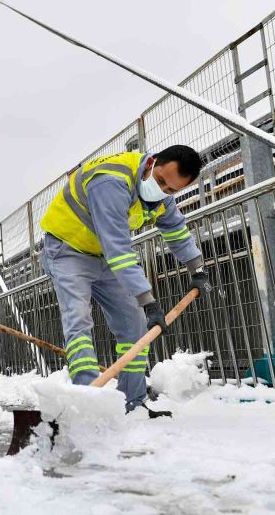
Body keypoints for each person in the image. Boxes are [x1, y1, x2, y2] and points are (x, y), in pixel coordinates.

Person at [39, 145, 212, 416]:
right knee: (79, 319)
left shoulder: (161, 196)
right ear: (151, 164)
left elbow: (176, 229)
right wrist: (150, 302)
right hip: (66, 250)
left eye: (171, 190)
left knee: (134, 325)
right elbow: (118, 250)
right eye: (161, 181)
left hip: (102, 254)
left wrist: (197, 270)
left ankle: (133, 403)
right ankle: (87, 402)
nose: (163, 191)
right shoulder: (110, 181)